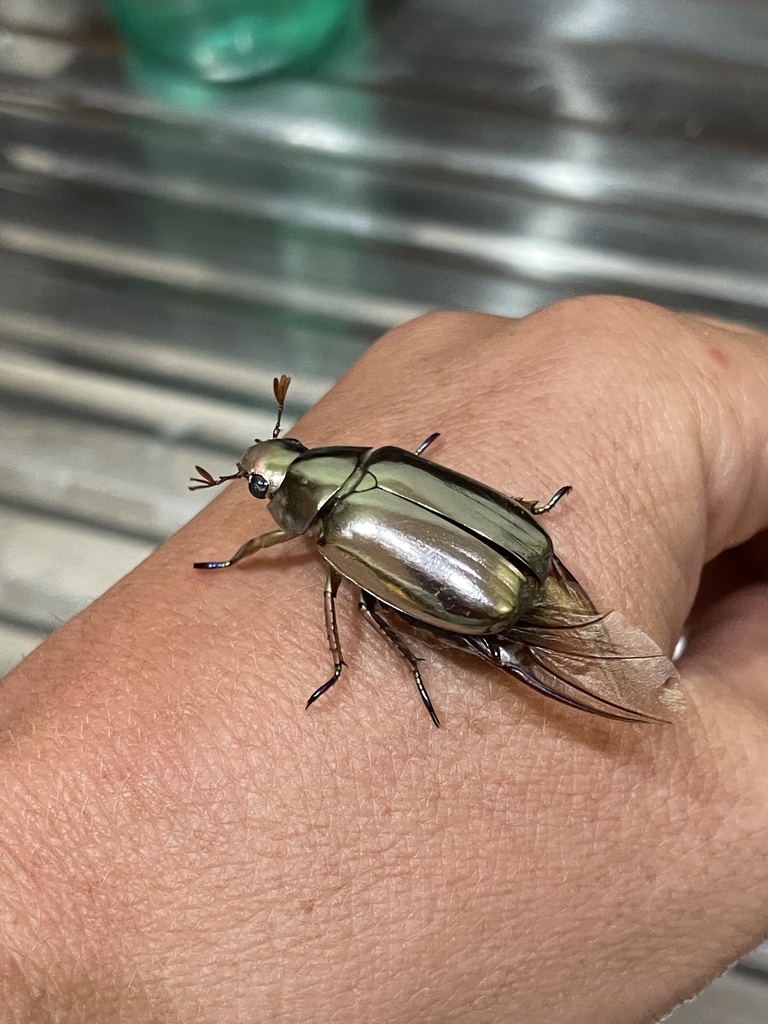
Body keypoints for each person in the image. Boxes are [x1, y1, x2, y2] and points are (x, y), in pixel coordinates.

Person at [1, 295, 767, 1023]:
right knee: (383, 577)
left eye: (267, 475)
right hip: (507, 550)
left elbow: (344, 591)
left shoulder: (332, 538)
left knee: (362, 601)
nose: (267, 477)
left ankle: (448, 634)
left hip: (492, 594)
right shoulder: (389, 464)